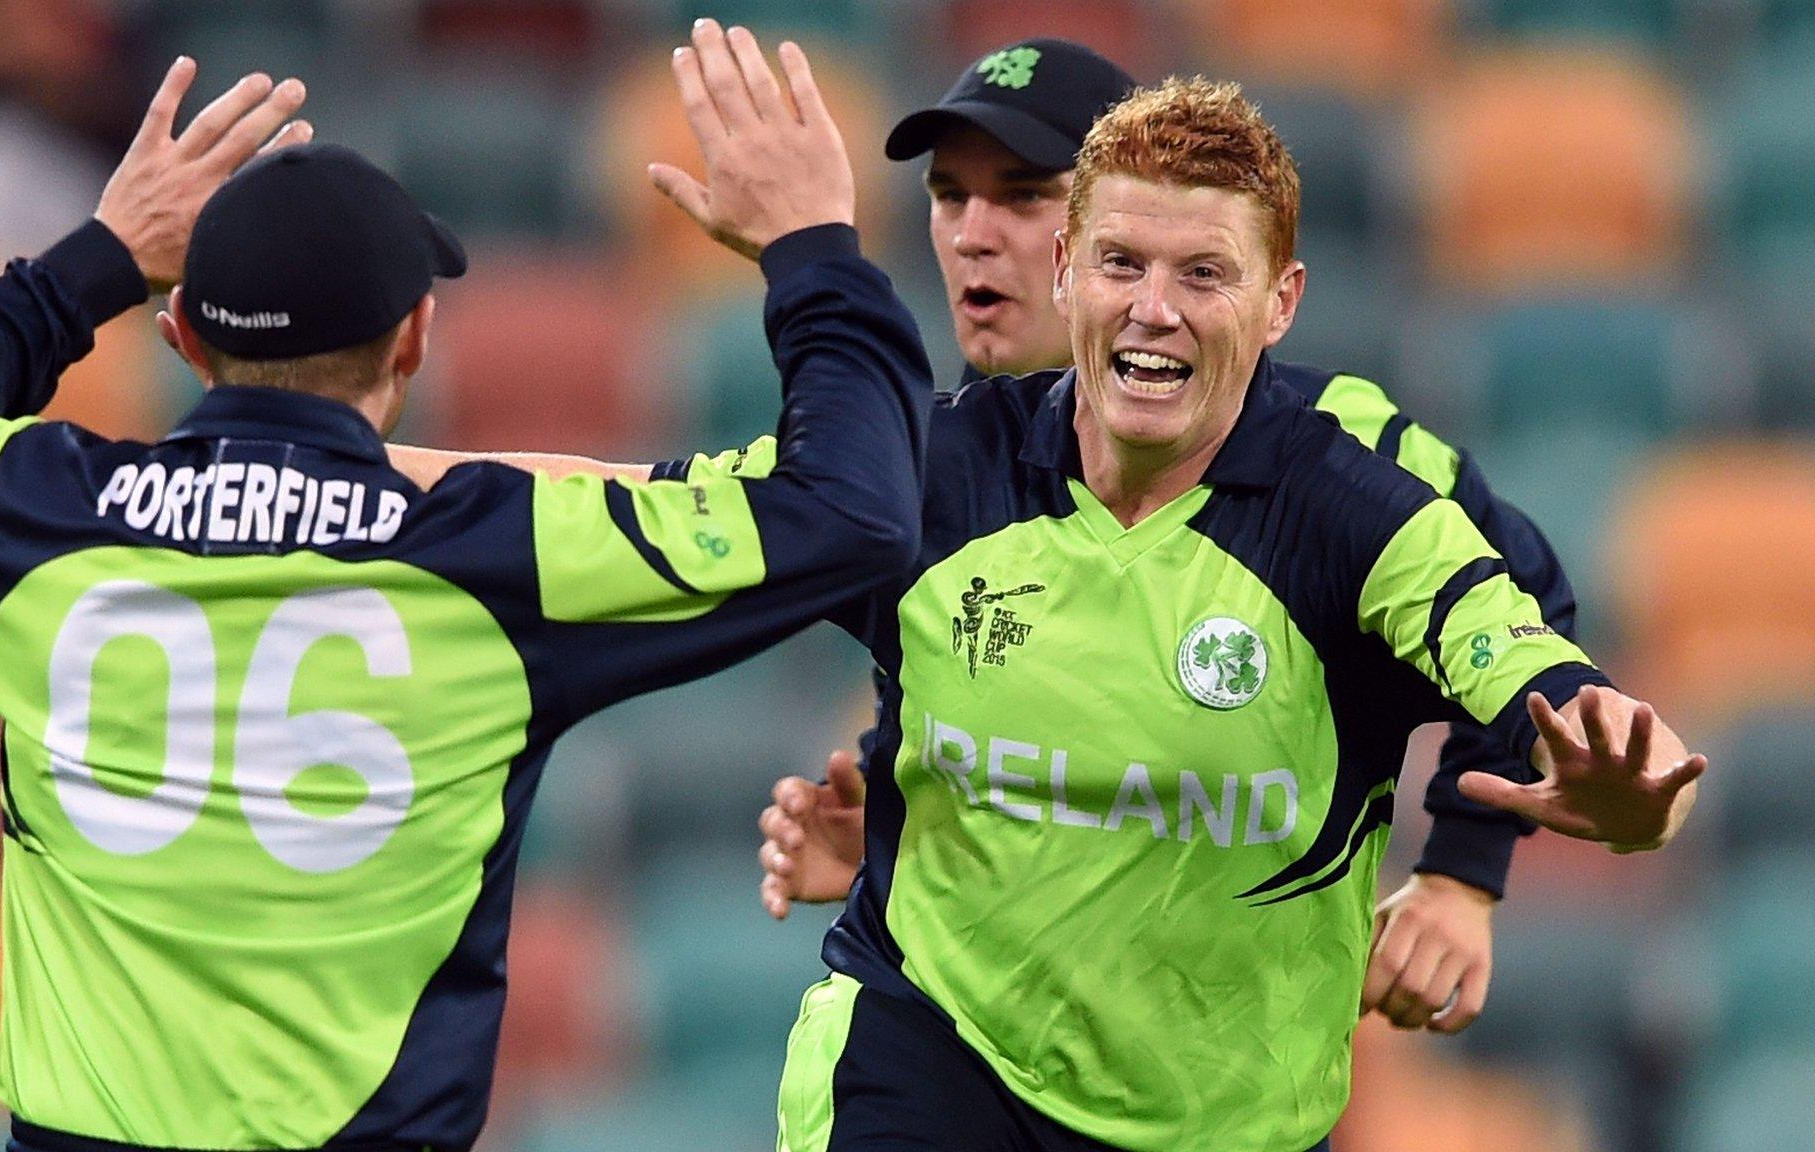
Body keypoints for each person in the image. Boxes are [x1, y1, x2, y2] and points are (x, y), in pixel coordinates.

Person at [0, 32, 932, 1152]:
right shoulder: (500, 552)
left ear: (181, 336)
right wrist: (814, 249)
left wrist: (96, 255)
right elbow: (851, 509)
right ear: (413, 341)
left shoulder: (37, 515)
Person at [664, 75, 1704, 1152]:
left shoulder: (1358, 496)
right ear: (1074, 267)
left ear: (1278, 301)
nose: (977, 239)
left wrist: (1482, 868)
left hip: (1218, 1105)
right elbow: (635, 513)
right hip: (930, 1048)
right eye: (1120, 262)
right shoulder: (928, 462)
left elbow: (1542, 666)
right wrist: (915, 813)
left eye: (1200, 273)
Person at [751, 39, 1582, 1038]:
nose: (973, 234)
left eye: (1021, 196)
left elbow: (1523, 617)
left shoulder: (1342, 450)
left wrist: (1459, 873)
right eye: (947, 195)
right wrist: (909, 828)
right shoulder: (955, 450)